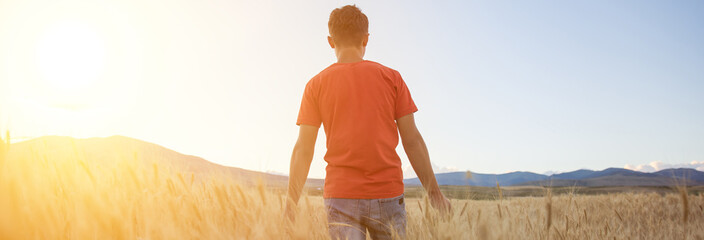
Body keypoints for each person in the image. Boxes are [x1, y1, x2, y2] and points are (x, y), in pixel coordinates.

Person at [284, 5, 451, 240]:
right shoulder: (392, 78)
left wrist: (290, 204)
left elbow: (303, 149)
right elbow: (412, 140)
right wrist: (434, 195)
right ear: (366, 39)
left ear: (331, 41)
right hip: (388, 194)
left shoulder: (315, 85)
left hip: (341, 195)